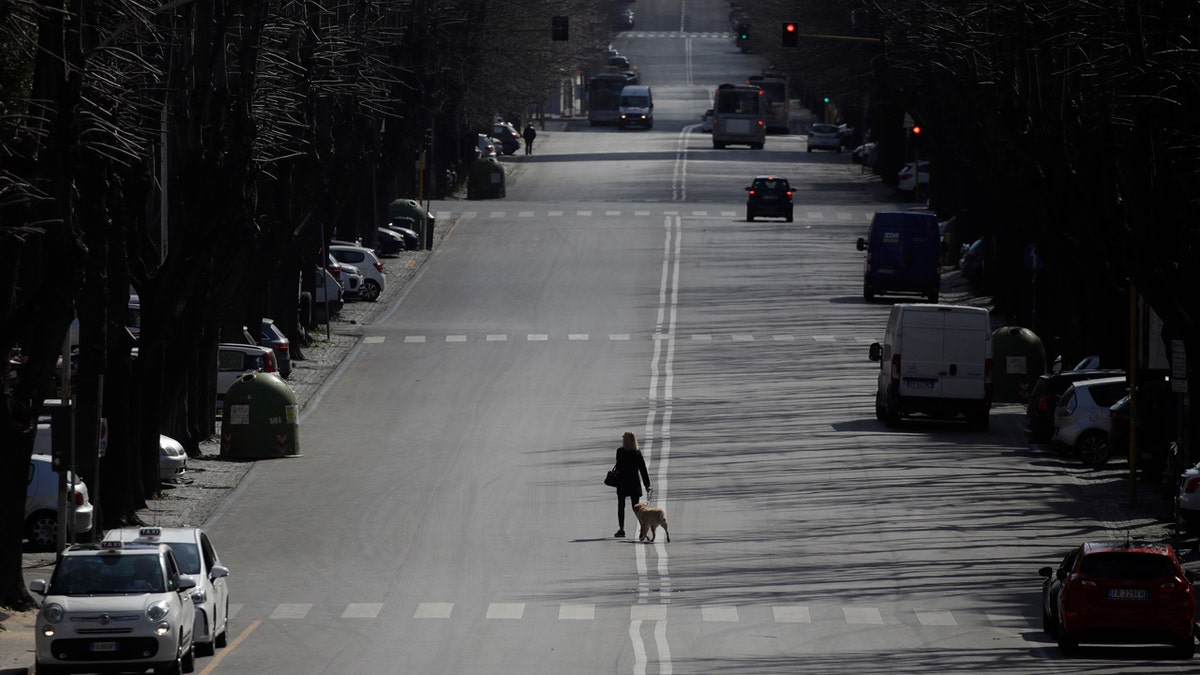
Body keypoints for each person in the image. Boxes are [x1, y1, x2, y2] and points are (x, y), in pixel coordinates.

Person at [612, 430, 651, 537]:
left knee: (621, 506)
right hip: (634, 484)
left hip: (622, 483)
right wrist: (647, 485)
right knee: (637, 509)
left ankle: (621, 529)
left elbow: (618, 467)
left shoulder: (620, 452)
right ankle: (643, 529)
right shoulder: (637, 453)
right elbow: (643, 470)